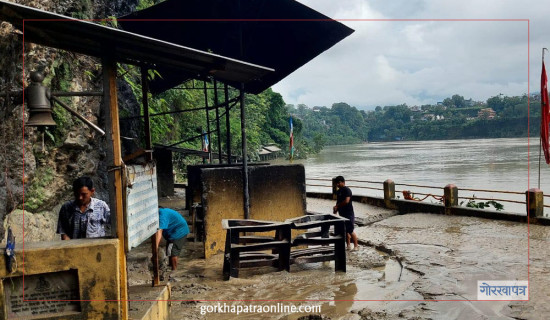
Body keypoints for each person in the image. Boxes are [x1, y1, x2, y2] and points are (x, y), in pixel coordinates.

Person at [155, 207, 190, 271]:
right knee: (169, 251)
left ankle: (174, 270)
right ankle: (171, 267)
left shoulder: (162, 216)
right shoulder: (162, 212)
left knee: (173, 252)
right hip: (173, 232)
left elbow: (159, 232)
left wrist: (155, 247)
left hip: (179, 233)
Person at [332, 176, 359, 251]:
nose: (337, 185)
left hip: (348, 212)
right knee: (345, 230)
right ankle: (348, 245)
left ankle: (356, 245)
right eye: (336, 183)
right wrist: (336, 209)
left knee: (350, 230)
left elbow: (347, 201)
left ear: (343, 182)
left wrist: (337, 206)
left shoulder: (347, 190)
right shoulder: (339, 191)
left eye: (338, 183)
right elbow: (338, 202)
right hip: (342, 213)